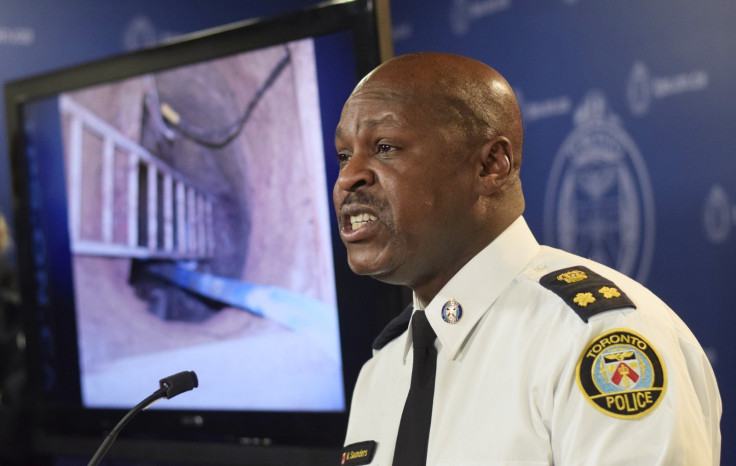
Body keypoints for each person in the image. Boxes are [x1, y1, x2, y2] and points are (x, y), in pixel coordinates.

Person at [333, 52, 721, 465]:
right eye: (343, 155)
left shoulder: (598, 342)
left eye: (385, 147)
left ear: (491, 165)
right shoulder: (383, 369)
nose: (347, 176)